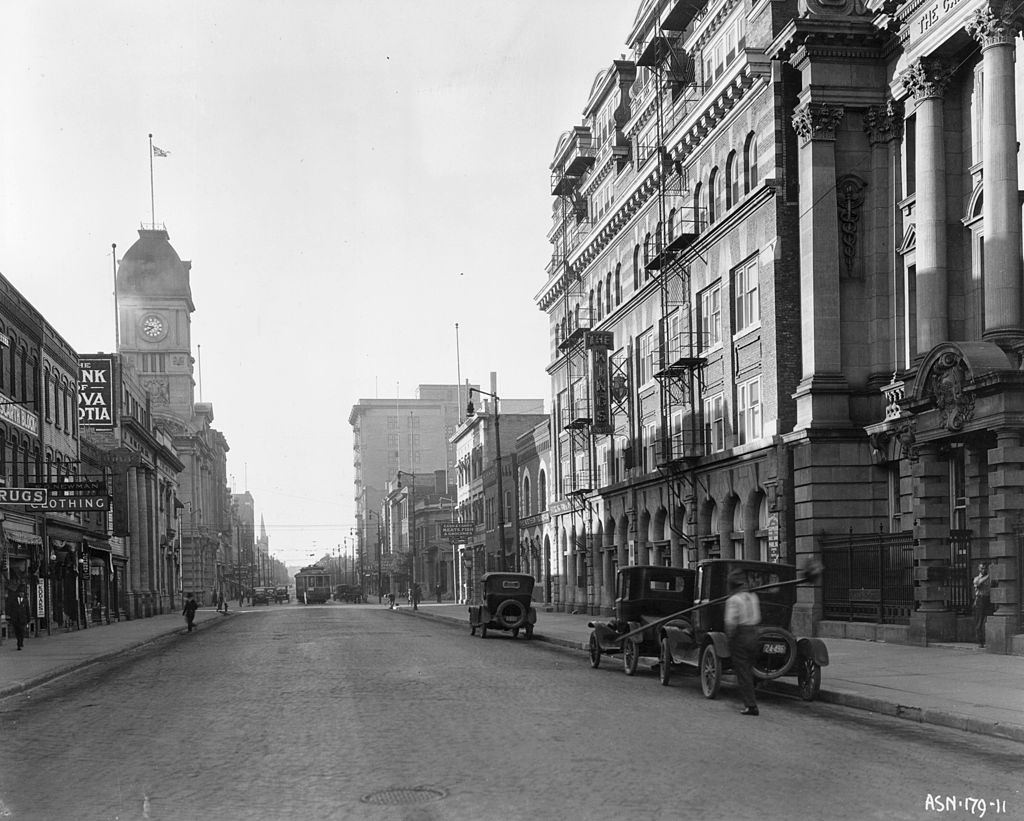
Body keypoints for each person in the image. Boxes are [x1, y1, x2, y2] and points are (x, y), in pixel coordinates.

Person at [724, 569, 761, 716]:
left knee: (743, 672)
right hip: (754, 633)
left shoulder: (733, 600)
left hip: (741, 635)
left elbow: (730, 623)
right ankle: (752, 696)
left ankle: (751, 705)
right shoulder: (753, 597)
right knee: (749, 669)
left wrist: (730, 638)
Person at [973, 561, 991, 648]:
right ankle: (980, 641)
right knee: (979, 621)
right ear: (979, 569)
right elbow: (979, 583)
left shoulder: (989, 578)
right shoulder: (977, 578)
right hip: (980, 599)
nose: (983, 570)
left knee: (988, 619)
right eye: (981, 568)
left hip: (988, 599)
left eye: (985, 568)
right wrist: (989, 575)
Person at [9, 585, 31, 650]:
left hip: (23, 619)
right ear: (18, 593)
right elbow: (11, 609)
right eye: (21, 593)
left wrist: (28, 619)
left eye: (23, 593)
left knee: (22, 631)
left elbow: (27, 610)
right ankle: (19, 642)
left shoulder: (25, 601)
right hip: (16, 620)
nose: (22, 594)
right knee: (17, 632)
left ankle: (20, 642)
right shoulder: (14, 600)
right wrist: (12, 617)